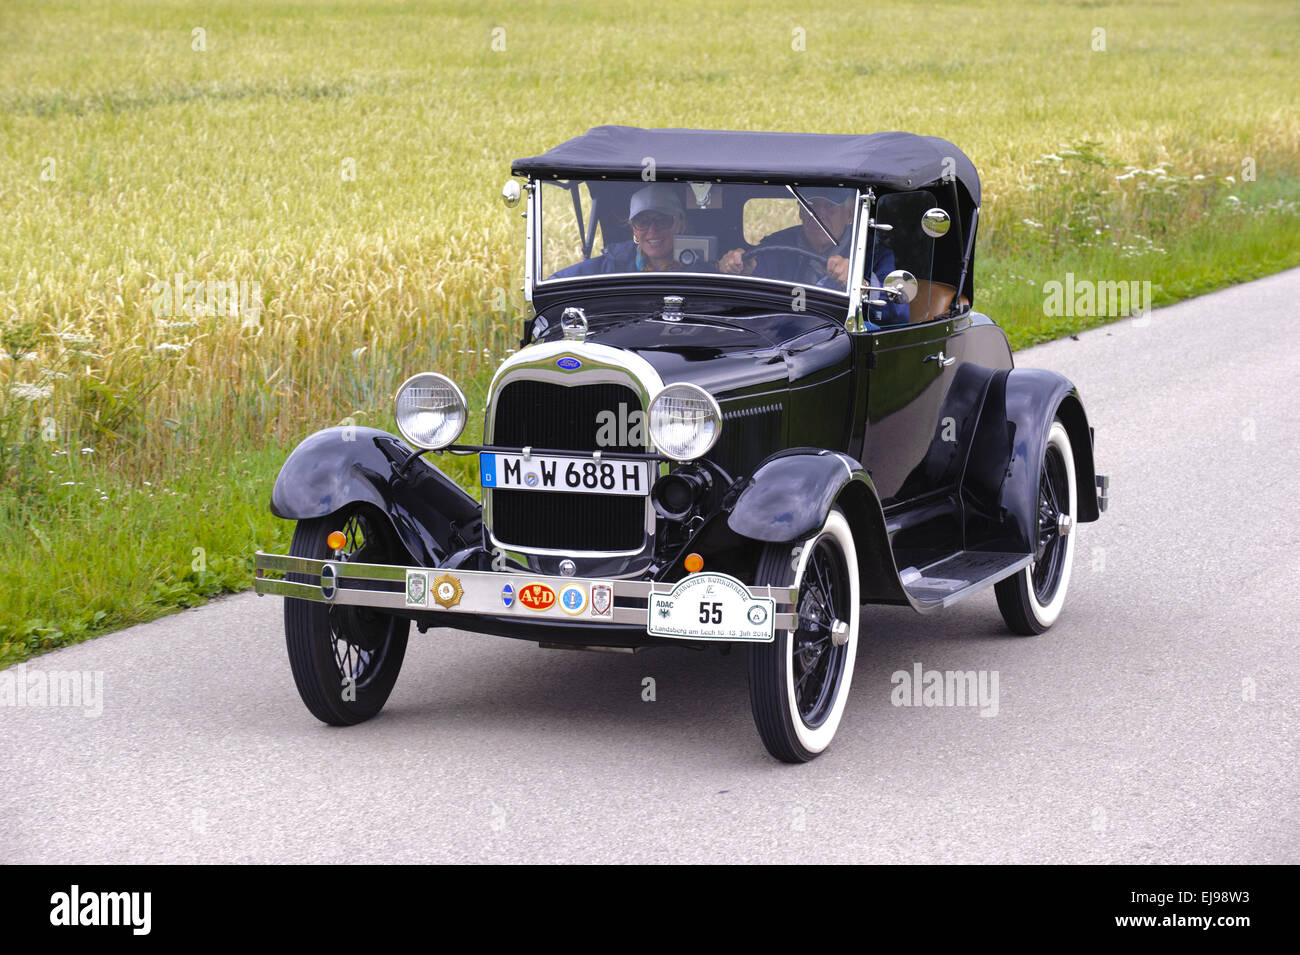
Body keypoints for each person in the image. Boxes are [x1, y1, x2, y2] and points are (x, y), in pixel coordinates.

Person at [718, 187, 908, 324]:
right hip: (779, 333)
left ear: (849, 215)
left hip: (838, 338)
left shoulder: (873, 254)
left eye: (830, 207)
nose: (819, 215)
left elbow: (899, 313)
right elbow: (756, 281)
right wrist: (742, 267)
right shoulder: (777, 245)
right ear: (801, 211)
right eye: (811, 206)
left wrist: (861, 284)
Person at [548, 183, 687, 278]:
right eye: (642, 222)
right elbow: (555, 283)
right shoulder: (613, 265)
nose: (652, 230)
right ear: (634, 230)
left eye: (662, 221)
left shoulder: (702, 269)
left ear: (679, 224)